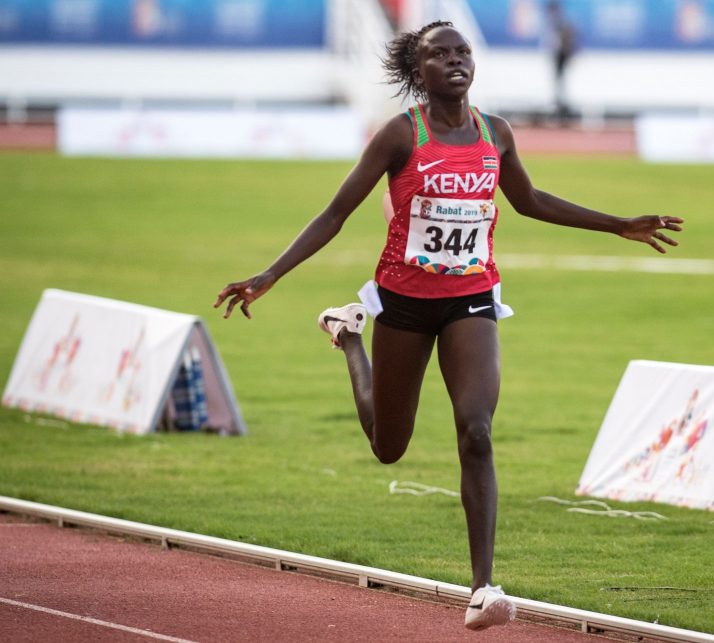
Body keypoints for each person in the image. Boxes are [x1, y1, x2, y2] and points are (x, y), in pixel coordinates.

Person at [213, 21, 683, 631]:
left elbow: (530, 201)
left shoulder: (496, 133)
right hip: (404, 304)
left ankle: (483, 589)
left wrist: (617, 224)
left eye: (463, 51)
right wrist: (270, 274)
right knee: (388, 446)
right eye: (440, 54)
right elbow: (335, 214)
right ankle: (349, 338)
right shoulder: (399, 135)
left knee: (477, 431)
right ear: (419, 69)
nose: (456, 61)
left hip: (471, 299)